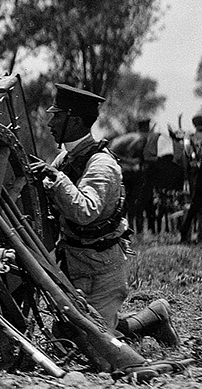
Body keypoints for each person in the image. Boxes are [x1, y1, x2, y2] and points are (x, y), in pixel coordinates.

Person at [34, 83, 177, 347]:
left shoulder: (102, 164)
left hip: (103, 270)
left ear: (74, 121)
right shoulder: (65, 160)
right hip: (75, 267)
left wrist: (55, 178)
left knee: (94, 346)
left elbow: (85, 211)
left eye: (57, 116)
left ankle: (154, 316)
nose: (51, 122)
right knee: (69, 340)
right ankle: (131, 320)